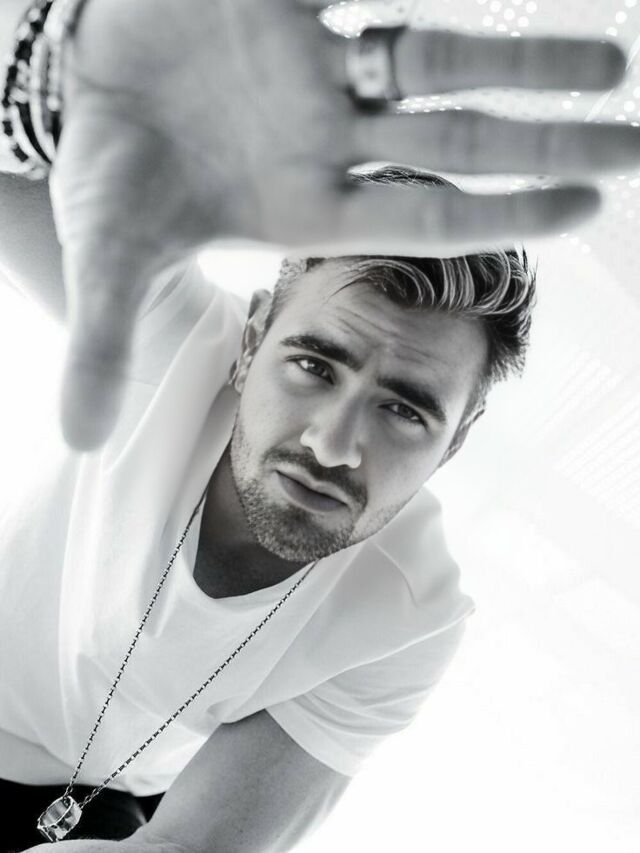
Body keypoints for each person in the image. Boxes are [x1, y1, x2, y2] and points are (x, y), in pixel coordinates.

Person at [0, 2, 638, 852]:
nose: (332, 445)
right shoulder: (164, 331)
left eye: (404, 410)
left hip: (107, 803)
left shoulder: (411, 615)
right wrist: (61, 49)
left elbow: (185, 846)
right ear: (251, 341)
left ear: (456, 440)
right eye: (314, 365)